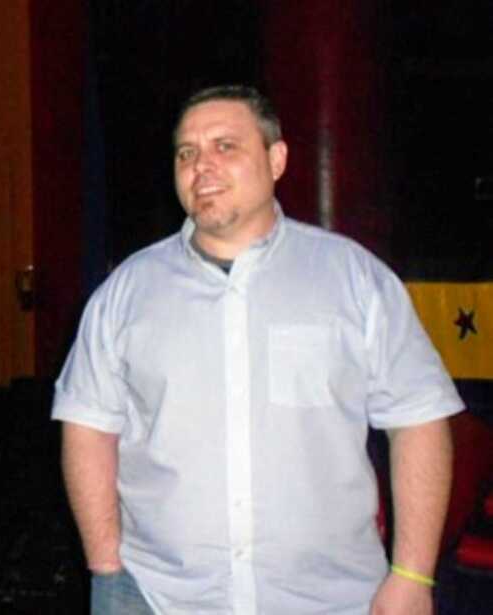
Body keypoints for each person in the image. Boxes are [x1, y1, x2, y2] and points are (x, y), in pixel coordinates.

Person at [53, 85, 463, 615]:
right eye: (187, 152)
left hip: (332, 600)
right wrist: (107, 567)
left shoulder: (355, 280)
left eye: (226, 146)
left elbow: (420, 420)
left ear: (277, 159)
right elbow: (87, 427)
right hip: (160, 597)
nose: (202, 166)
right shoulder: (126, 293)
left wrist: (412, 574)